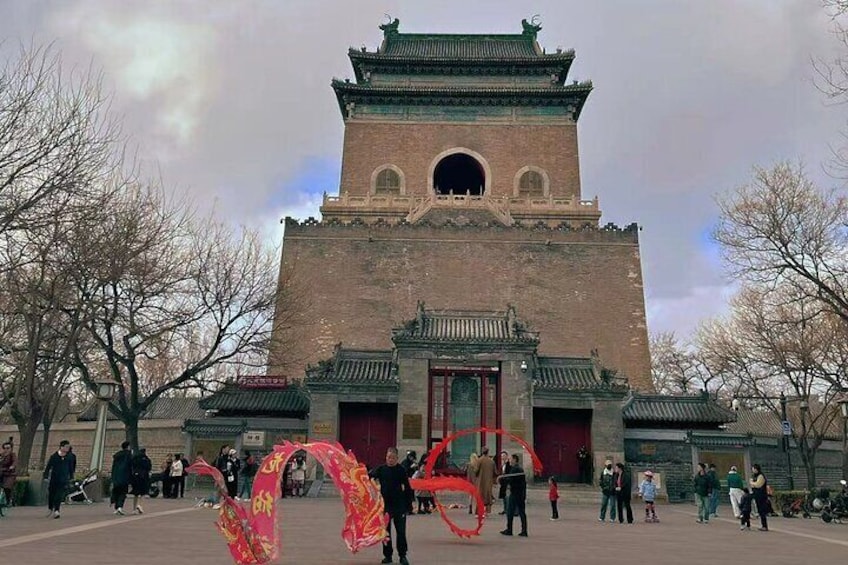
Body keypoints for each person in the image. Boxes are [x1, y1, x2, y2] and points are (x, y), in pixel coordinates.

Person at [369, 447, 413, 565]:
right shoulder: (381, 469)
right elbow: (369, 476)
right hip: (385, 506)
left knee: (401, 532)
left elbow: (408, 488)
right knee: (386, 533)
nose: (390, 460)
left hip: (399, 506)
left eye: (393, 458)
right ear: (386, 457)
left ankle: (402, 556)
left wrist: (409, 506)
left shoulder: (401, 470)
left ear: (397, 458)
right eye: (388, 457)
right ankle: (387, 556)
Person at [499, 454, 528, 537]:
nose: (509, 461)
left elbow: (510, 480)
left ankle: (509, 529)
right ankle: (524, 530)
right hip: (521, 493)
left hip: (515, 493)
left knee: (510, 511)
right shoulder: (519, 469)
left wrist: (501, 480)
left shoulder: (515, 469)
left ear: (515, 459)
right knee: (522, 512)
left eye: (510, 459)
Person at [43, 440, 72, 519]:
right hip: (54, 479)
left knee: (58, 495)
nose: (68, 448)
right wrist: (45, 476)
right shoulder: (54, 456)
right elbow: (48, 467)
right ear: (61, 447)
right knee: (51, 494)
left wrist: (71, 477)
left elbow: (71, 468)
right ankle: (50, 508)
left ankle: (57, 510)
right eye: (66, 447)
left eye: (68, 447)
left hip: (63, 480)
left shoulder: (69, 457)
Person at [111, 441, 133, 515]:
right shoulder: (129, 455)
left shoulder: (117, 455)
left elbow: (113, 467)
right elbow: (130, 467)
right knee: (123, 493)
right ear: (128, 446)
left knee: (117, 492)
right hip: (125, 477)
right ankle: (120, 507)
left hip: (116, 476)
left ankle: (116, 507)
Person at [474, 446, 496, 515]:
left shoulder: (479, 460)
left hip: (480, 481)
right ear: (488, 452)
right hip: (489, 481)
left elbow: (476, 471)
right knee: (488, 494)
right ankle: (487, 511)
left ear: (482, 452)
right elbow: (495, 472)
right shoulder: (491, 461)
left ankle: (479, 511)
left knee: (480, 496)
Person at [130, 447, 152, 514]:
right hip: (143, 476)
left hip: (135, 476)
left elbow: (132, 465)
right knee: (142, 492)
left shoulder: (135, 458)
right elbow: (149, 468)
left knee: (135, 493)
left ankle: (133, 509)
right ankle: (140, 505)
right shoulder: (147, 459)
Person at [749, 464, 769, 531]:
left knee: (762, 510)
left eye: (753, 469)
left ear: (756, 469)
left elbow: (758, 485)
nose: (752, 470)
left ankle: (765, 526)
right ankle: (763, 525)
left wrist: (753, 483)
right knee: (760, 510)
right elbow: (751, 483)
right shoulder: (754, 476)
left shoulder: (761, 476)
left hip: (761, 495)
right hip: (757, 495)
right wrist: (753, 484)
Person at [0, 441, 17, 505]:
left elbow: (15, 461)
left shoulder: (13, 455)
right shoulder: (1, 455)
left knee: (7, 487)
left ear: (11, 449)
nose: (6, 450)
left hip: (10, 474)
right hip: (2, 473)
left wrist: (12, 466)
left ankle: (8, 500)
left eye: (8, 448)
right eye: (5, 448)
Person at [497, 450, 511, 515]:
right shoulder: (502, 464)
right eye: (502, 456)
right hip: (503, 483)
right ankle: (505, 509)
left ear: (507, 456)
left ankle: (508, 509)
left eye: (504, 456)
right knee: (504, 497)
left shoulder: (509, 464)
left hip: (507, 483)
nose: (502, 457)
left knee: (507, 497)